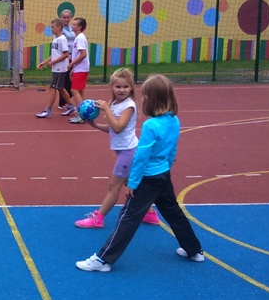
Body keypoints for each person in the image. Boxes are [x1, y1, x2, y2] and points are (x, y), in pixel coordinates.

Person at [76, 74, 205, 272]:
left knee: (128, 217)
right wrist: (167, 166)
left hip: (148, 178)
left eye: (145, 96)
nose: (143, 99)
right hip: (163, 175)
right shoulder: (174, 120)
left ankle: (103, 260)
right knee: (173, 212)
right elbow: (172, 149)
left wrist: (132, 184)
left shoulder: (150, 125)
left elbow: (141, 157)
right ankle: (194, 250)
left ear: (153, 99)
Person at [74, 67, 160, 228]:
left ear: (131, 88)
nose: (121, 90)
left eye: (125, 87)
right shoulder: (115, 104)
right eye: (118, 86)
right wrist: (95, 125)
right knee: (131, 185)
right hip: (124, 151)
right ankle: (149, 214)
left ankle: (98, 218)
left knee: (113, 187)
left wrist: (107, 109)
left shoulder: (129, 106)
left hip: (128, 152)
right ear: (112, 87)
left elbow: (118, 127)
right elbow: (112, 128)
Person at [35, 18, 75, 118]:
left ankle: (48, 110)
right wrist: (45, 62)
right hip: (56, 67)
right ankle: (71, 106)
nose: (51, 29)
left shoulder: (62, 39)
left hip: (60, 68)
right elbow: (55, 53)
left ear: (59, 27)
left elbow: (66, 54)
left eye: (53, 27)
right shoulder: (55, 38)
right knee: (60, 88)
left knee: (52, 88)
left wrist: (53, 62)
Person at [67, 18, 90, 124]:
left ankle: (82, 114)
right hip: (80, 68)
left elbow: (83, 54)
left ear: (79, 27)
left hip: (82, 68)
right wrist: (74, 68)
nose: (72, 26)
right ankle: (82, 114)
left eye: (74, 24)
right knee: (79, 90)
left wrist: (72, 64)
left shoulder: (80, 38)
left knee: (74, 90)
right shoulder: (79, 37)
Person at [57, 10, 76, 112]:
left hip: (74, 57)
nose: (66, 19)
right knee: (65, 81)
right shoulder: (59, 29)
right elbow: (57, 44)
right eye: (64, 17)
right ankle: (62, 103)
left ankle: (67, 99)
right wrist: (65, 55)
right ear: (61, 18)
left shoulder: (72, 28)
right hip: (65, 57)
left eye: (68, 17)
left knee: (72, 80)